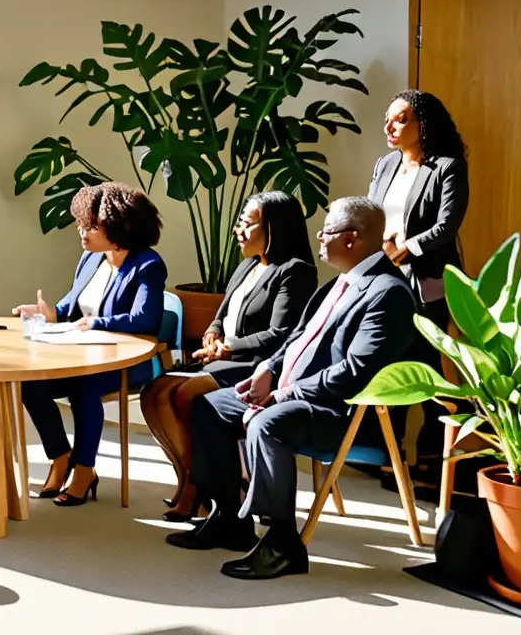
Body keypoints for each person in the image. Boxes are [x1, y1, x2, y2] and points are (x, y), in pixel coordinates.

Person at [166, 197, 416, 580]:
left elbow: (356, 372)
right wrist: (268, 369)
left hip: (342, 411)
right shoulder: (339, 283)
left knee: (269, 421)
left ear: (351, 239)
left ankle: (282, 543)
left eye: (326, 231)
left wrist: (282, 395)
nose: (319, 237)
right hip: (295, 393)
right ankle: (230, 518)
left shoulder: (388, 292)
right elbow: (296, 338)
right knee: (210, 407)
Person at [140, 191, 317, 521]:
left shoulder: (295, 271)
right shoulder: (247, 265)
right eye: (240, 223)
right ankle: (190, 480)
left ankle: (198, 488)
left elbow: (281, 334)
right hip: (224, 359)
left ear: (274, 228)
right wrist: (212, 332)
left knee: (181, 396)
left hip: (256, 367)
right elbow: (222, 314)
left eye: (247, 224)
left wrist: (230, 346)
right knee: (153, 394)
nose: (239, 230)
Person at [13, 182, 167, 507]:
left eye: (92, 226)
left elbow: (144, 319)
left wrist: (97, 324)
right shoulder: (90, 259)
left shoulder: (147, 266)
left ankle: (85, 470)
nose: (83, 234)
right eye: (82, 225)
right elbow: (71, 307)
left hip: (125, 362)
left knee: (83, 388)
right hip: (82, 355)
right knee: (30, 383)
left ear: (119, 224)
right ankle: (60, 457)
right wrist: (48, 313)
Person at [369, 90, 468, 463]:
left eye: (401, 119)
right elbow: (371, 213)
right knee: (389, 363)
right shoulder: (385, 165)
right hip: (385, 279)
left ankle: (432, 459)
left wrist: (407, 247)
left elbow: (447, 225)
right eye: (388, 118)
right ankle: (389, 455)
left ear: (423, 123)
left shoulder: (447, 166)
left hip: (427, 282)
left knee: (426, 368)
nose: (390, 126)